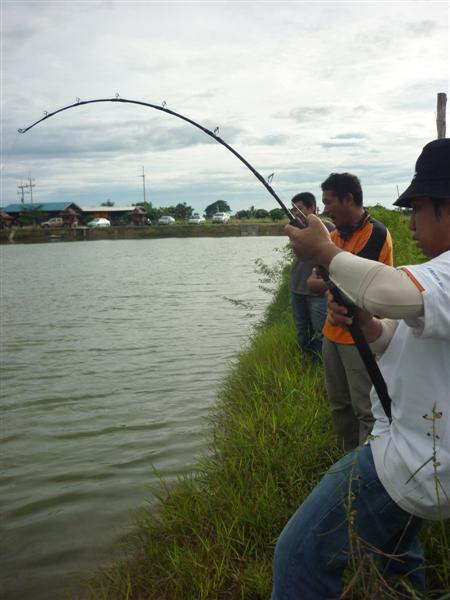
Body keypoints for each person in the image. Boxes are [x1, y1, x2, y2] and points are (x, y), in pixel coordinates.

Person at [271, 138, 450, 600]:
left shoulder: (445, 273)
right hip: (416, 456)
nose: (411, 220)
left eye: (417, 208)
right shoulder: (439, 274)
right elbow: (407, 336)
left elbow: (389, 291)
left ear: (445, 208)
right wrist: (369, 324)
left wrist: (325, 252)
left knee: (297, 554)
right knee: (396, 554)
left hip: (407, 463)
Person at [310, 173, 393, 451]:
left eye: (329, 202)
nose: (325, 210)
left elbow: (355, 286)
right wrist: (332, 281)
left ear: (349, 199)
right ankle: (347, 462)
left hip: (362, 336)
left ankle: (367, 468)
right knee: (339, 406)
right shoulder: (331, 236)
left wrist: (331, 279)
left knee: (365, 409)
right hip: (332, 335)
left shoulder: (377, 233)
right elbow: (313, 283)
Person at [289, 192, 334, 360]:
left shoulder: (328, 227)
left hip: (317, 291)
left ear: (312, 208)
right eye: (293, 209)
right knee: (302, 330)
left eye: (299, 208)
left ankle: (321, 364)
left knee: (321, 330)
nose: (295, 212)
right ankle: (305, 361)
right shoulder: (296, 227)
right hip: (297, 287)